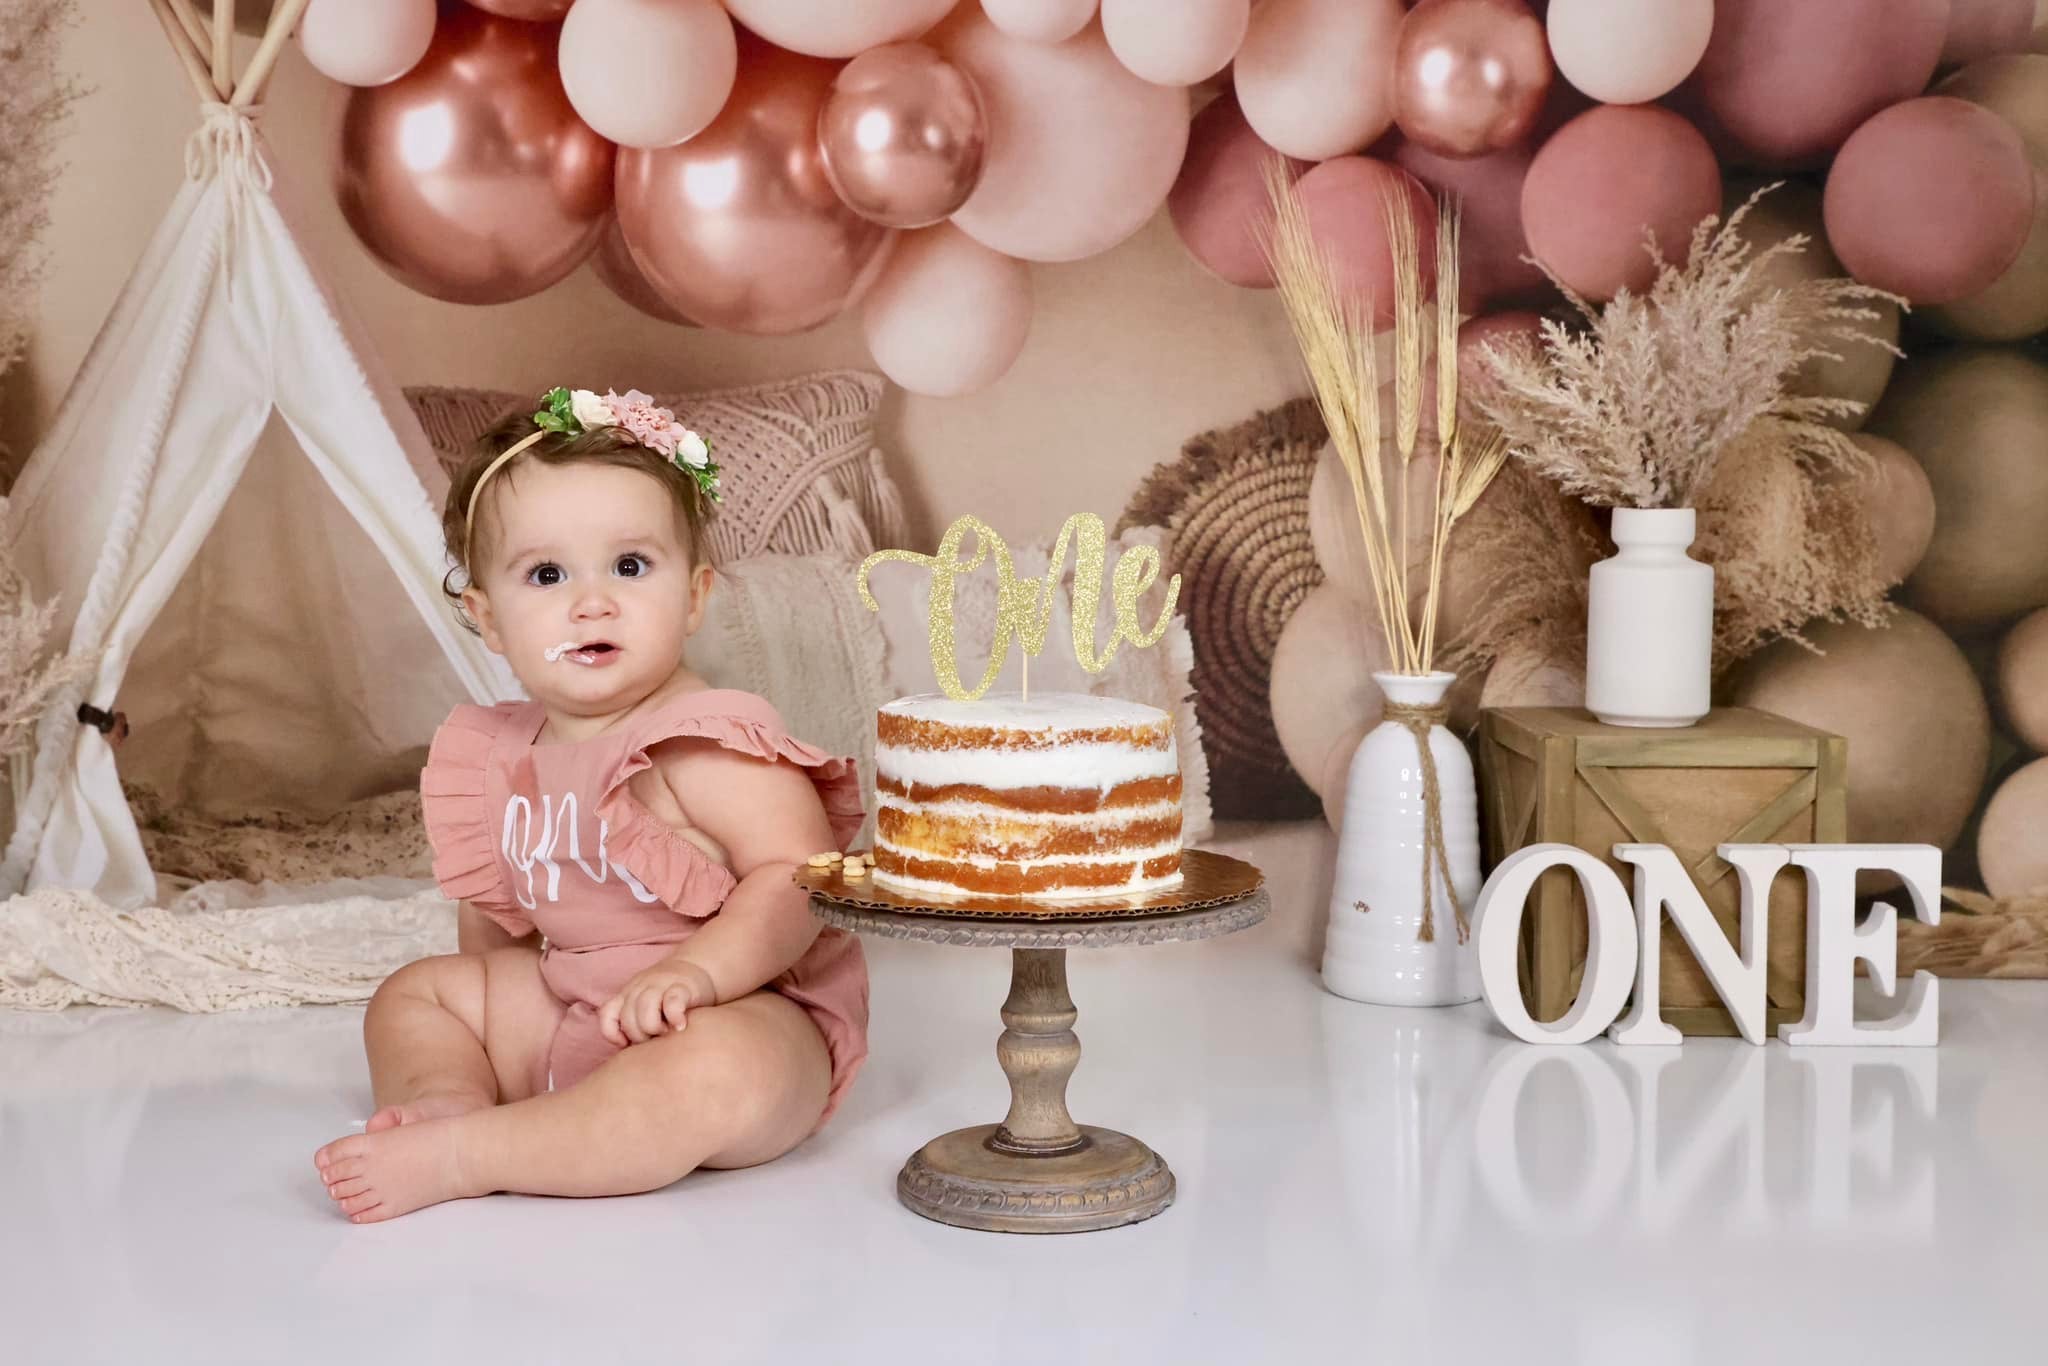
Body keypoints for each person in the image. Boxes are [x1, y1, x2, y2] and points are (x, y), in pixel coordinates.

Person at [314, 387, 867, 1223]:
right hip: (573, 1008)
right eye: (546, 574)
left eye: (631, 566)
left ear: (693, 594)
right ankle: (449, 1101)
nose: (592, 601)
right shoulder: (500, 754)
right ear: (488, 617)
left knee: (720, 1068)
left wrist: (699, 974)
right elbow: (499, 924)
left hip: (729, 1012)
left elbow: (799, 878)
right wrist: (490, 1005)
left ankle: (474, 1154)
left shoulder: (706, 739)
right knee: (418, 995)